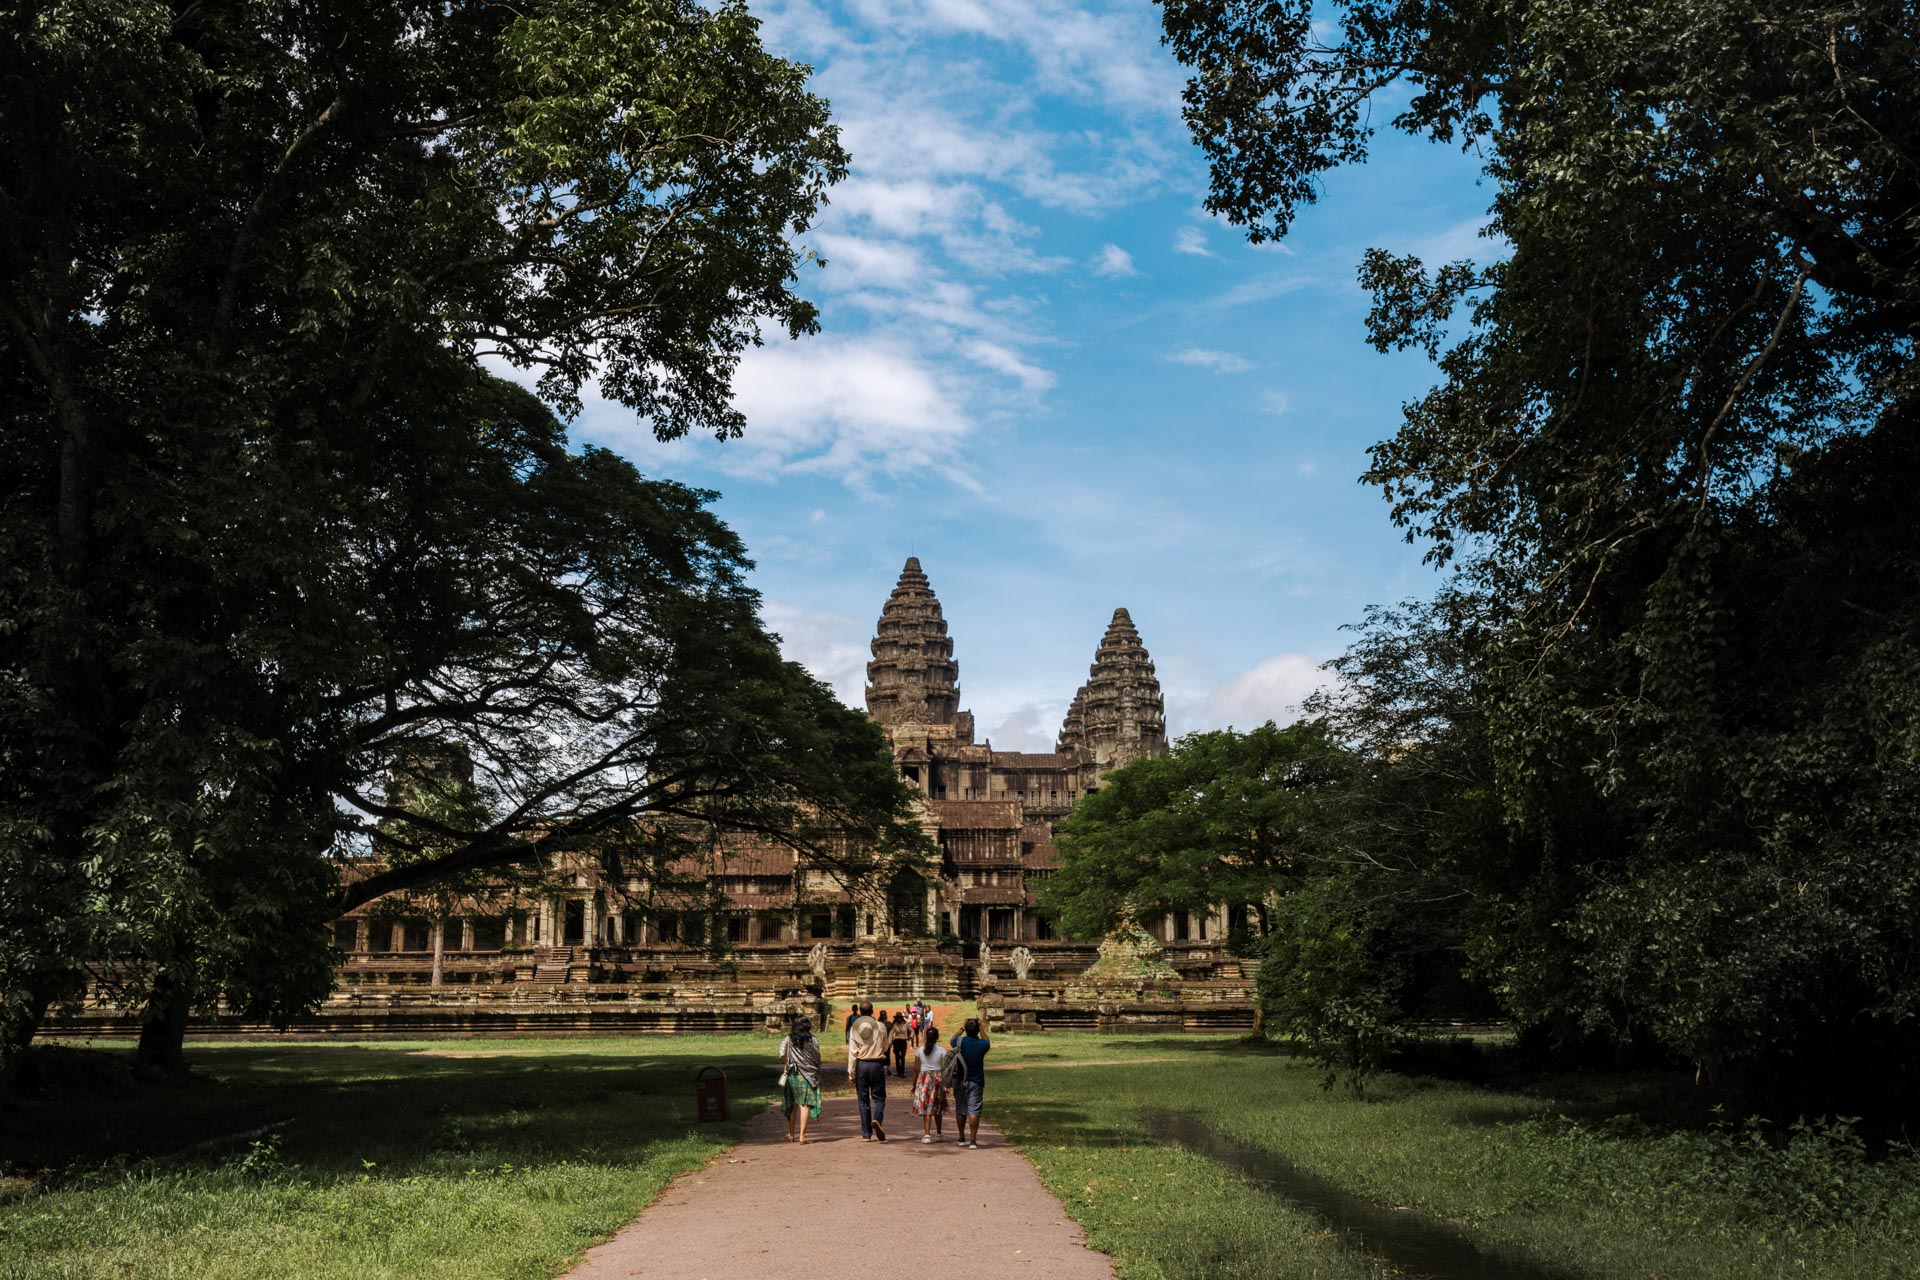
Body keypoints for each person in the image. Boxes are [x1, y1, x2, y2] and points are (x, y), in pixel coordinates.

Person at [846, 1000, 889, 1141]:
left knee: (863, 1099)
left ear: (860, 1011)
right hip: (877, 1064)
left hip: (862, 1065)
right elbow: (886, 1047)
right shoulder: (881, 1026)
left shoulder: (854, 1028)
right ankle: (877, 1119)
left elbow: (853, 1052)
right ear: (872, 1011)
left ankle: (866, 1133)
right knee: (879, 1097)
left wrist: (851, 1072)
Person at [777, 1016, 823, 1143]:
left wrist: (790, 1062)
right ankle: (802, 1136)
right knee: (804, 1105)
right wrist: (818, 1071)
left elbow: (782, 1057)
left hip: (793, 1074)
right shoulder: (813, 1040)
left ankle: (791, 1134)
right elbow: (817, 1057)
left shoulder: (788, 1039)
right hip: (808, 1075)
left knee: (793, 1105)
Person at [953, 1016, 990, 1148]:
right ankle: (973, 1140)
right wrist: (981, 1026)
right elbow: (987, 1041)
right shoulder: (982, 1044)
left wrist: (962, 1027)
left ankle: (961, 1137)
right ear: (976, 1030)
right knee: (973, 1110)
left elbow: (952, 1039)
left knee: (960, 1109)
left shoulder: (959, 1042)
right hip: (976, 1080)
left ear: (967, 1030)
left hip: (960, 1080)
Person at [912, 1025, 948, 1142]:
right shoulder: (942, 1050)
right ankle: (939, 1133)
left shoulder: (920, 1051)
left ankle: (927, 1134)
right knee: (937, 1107)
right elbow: (945, 1068)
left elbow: (916, 1069)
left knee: (927, 1107)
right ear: (937, 1037)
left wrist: (913, 1085)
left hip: (924, 1079)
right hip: (937, 1079)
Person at [889, 1011, 910, 1076]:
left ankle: (902, 1072)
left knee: (903, 1057)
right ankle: (898, 1072)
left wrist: (910, 1037)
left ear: (901, 1018)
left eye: (900, 1018)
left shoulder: (906, 1024)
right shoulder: (894, 1024)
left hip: (903, 1041)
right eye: (897, 1018)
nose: (899, 1019)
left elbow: (912, 1031)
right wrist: (890, 1042)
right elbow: (891, 1033)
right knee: (897, 1057)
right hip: (896, 1041)